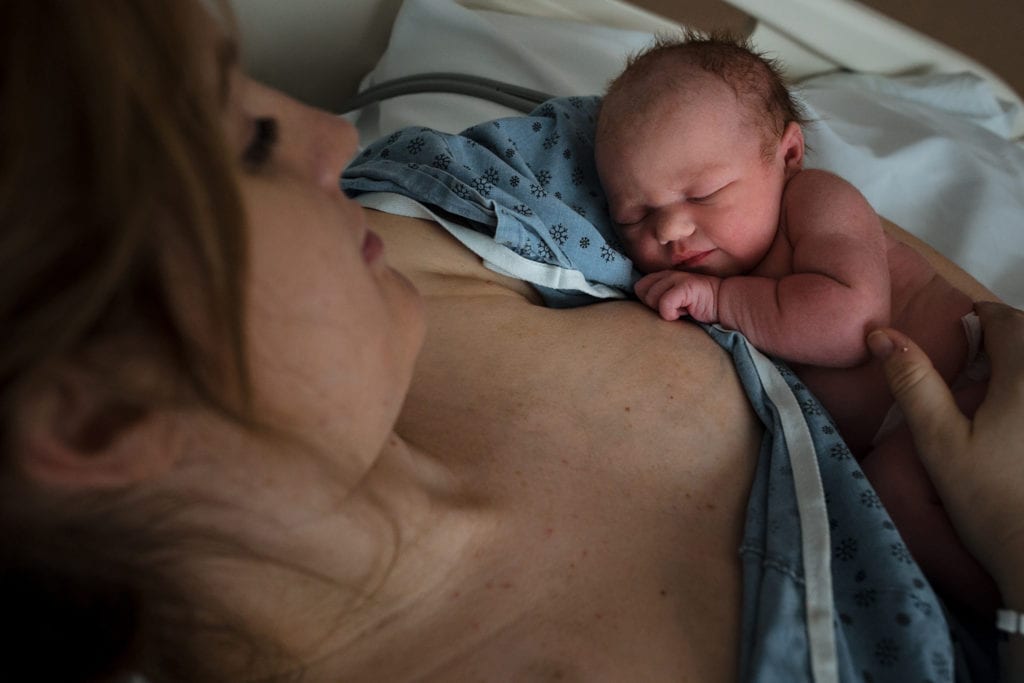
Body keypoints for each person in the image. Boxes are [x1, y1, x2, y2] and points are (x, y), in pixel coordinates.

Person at [2, 2, 1022, 681]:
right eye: (249, 145)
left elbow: (936, 307)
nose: (335, 136)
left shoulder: (480, 215)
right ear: (100, 415)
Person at [593, 34, 995, 612]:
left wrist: (721, 301)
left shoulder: (816, 203)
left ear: (787, 156)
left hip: (978, 380)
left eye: (703, 193)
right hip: (907, 447)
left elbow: (852, 325)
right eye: (635, 215)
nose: (670, 230)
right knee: (898, 500)